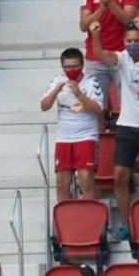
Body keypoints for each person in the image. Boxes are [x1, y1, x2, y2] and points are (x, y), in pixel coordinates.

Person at [90, 19, 139, 240]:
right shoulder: (122, 58)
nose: (134, 44)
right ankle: (126, 224)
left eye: (137, 40)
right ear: (124, 42)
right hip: (127, 125)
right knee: (119, 176)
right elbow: (100, 55)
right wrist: (95, 35)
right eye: (129, 40)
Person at [40, 48, 104, 203]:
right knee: (62, 183)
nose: (70, 70)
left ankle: (90, 222)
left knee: (86, 180)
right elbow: (44, 106)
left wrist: (79, 95)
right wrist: (56, 91)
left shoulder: (91, 81)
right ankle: (65, 223)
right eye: (67, 67)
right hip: (64, 138)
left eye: (74, 66)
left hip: (86, 136)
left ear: (81, 65)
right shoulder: (57, 80)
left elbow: (98, 110)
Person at [79, 0, 139, 100]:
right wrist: (102, 9)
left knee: (128, 102)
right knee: (96, 105)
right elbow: (84, 26)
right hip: (95, 56)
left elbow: (129, 21)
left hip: (122, 55)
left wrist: (110, 2)